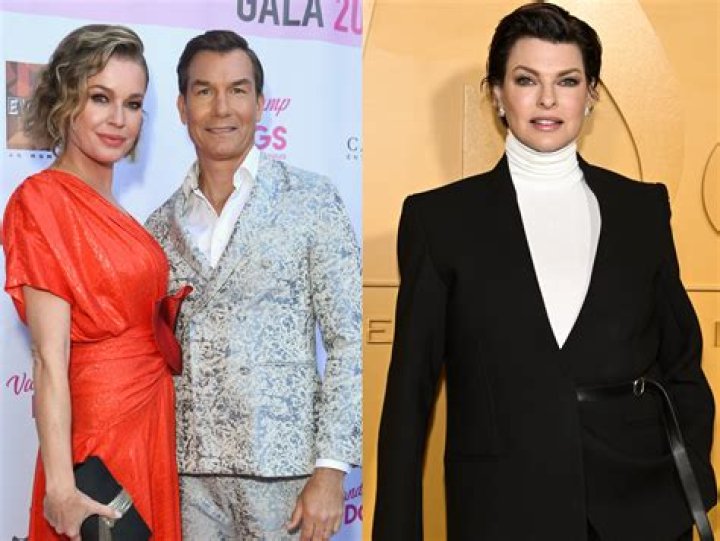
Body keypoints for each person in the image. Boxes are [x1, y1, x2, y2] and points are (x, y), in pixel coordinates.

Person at [373, 3, 716, 541]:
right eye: (527, 80)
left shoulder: (642, 210)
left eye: (568, 81)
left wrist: (682, 481)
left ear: (592, 94)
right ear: (496, 93)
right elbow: (409, 399)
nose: (548, 100)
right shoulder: (439, 221)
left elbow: (683, 363)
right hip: (502, 507)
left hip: (639, 509)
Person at [145, 30, 361, 541]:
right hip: (187, 479)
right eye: (204, 91)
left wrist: (331, 470)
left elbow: (349, 341)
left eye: (238, 90)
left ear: (260, 103)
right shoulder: (157, 227)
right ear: (182, 107)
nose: (222, 108)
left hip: (286, 479)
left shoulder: (312, 200)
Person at [2, 25, 183, 540]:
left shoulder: (117, 210)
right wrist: (62, 487)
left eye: (133, 103)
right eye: (100, 98)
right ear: (65, 100)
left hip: (150, 417)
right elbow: (48, 357)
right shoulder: (42, 202)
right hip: (98, 433)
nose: (118, 119)